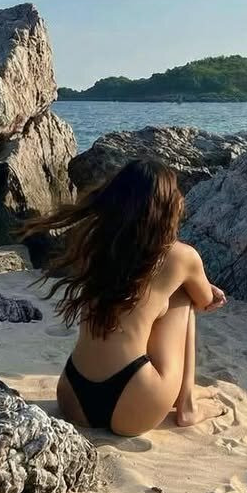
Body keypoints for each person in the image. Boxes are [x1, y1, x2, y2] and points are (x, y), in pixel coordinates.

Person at [24, 159, 227, 436]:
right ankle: (187, 402)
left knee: (163, 297)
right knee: (183, 295)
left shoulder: (98, 247)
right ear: (165, 207)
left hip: (73, 395)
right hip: (136, 395)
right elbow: (205, 301)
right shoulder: (181, 257)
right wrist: (204, 287)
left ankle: (186, 394)